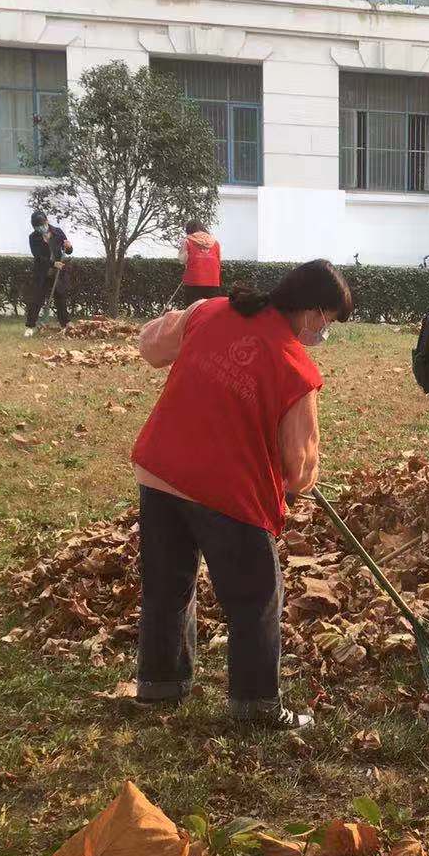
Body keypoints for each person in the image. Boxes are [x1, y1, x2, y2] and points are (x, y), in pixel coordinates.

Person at [129, 260, 353, 727]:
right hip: (227, 492)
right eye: (327, 321)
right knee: (255, 597)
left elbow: (152, 345)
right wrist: (294, 486)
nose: (324, 332)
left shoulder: (210, 311)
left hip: (162, 470)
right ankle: (255, 706)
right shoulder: (296, 368)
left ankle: (160, 685)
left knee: (167, 586)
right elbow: (301, 468)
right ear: (312, 313)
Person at [25, 210, 73, 337]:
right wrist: (53, 264)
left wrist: (68, 247)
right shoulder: (33, 237)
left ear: (46, 221)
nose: (40, 228)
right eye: (36, 226)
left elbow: (68, 250)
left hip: (58, 273)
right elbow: (38, 257)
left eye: (41, 224)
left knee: (60, 298)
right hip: (42, 272)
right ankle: (30, 326)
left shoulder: (58, 232)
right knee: (36, 299)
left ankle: (66, 324)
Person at [179, 221, 222, 307]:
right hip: (213, 280)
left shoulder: (188, 240)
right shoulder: (215, 242)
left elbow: (182, 259)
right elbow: (219, 260)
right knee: (211, 310)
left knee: (192, 310)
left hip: (193, 280)